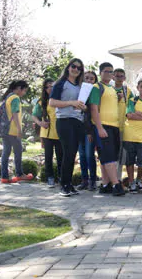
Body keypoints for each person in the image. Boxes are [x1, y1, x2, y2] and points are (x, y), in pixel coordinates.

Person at [49, 58, 87, 196]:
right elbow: (52, 102)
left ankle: (69, 184)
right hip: (64, 121)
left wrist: (83, 106)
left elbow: (81, 104)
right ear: (68, 67)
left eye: (79, 68)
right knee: (68, 152)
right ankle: (63, 185)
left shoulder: (80, 86)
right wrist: (71, 103)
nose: (76, 69)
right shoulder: (60, 83)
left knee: (72, 154)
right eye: (73, 66)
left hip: (77, 121)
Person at [88, 62, 126, 196]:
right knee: (109, 157)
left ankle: (105, 184)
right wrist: (99, 128)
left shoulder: (111, 88)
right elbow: (93, 108)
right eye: (106, 71)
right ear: (100, 72)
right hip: (103, 126)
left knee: (106, 157)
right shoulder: (96, 87)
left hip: (114, 127)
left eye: (111, 72)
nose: (109, 74)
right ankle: (116, 185)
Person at [0, 80, 34, 184]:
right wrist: (19, 129)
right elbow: (15, 114)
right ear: (19, 88)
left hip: (5, 129)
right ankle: (19, 174)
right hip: (12, 130)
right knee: (18, 151)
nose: (24, 93)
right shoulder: (15, 98)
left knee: (6, 152)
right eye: (24, 91)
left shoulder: (8, 97)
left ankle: (4, 177)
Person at [32, 78, 62, 188]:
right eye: (47, 87)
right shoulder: (41, 102)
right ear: (44, 89)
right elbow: (34, 116)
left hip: (60, 133)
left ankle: (61, 178)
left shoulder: (61, 99)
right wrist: (40, 123)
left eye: (52, 86)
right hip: (47, 133)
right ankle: (50, 178)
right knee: (48, 157)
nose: (50, 89)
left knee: (61, 157)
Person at [77, 71, 98, 191]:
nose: (89, 81)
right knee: (82, 155)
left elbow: (92, 114)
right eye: (87, 78)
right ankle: (84, 180)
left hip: (90, 129)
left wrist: (90, 132)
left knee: (90, 155)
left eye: (92, 79)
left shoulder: (95, 93)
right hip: (79, 129)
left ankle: (93, 181)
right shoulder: (79, 92)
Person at [113, 68, 131, 181]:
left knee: (121, 155)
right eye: (117, 76)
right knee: (112, 154)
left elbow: (133, 104)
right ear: (113, 77)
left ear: (124, 78)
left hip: (123, 128)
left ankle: (117, 179)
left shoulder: (127, 91)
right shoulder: (109, 89)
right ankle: (111, 179)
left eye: (121, 76)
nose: (119, 78)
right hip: (110, 126)